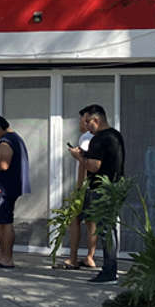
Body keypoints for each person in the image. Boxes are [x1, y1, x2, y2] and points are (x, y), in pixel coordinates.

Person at [69, 104, 124, 284]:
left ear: (96, 120)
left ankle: (109, 271)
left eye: (87, 121)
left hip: (102, 188)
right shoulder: (115, 135)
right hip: (115, 186)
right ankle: (110, 268)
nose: (85, 125)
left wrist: (79, 158)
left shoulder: (98, 139)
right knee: (109, 229)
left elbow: (94, 166)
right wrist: (86, 155)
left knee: (105, 229)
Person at [0, 114, 30, 269]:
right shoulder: (17, 139)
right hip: (10, 187)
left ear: (0, 127)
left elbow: (3, 165)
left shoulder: (6, 142)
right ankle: (3, 255)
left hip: (4, 188)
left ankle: (7, 258)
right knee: (3, 221)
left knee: (5, 222)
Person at [63, 107, 97, 269]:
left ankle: (73, 257)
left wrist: (79, 186)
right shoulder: (101, 137)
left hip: (86, 185)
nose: (79, 123)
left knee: (75, 219)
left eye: (81, 120)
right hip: (97, 184)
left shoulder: (86, 137)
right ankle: (90, 256)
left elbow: (84, 162)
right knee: (92, 221)